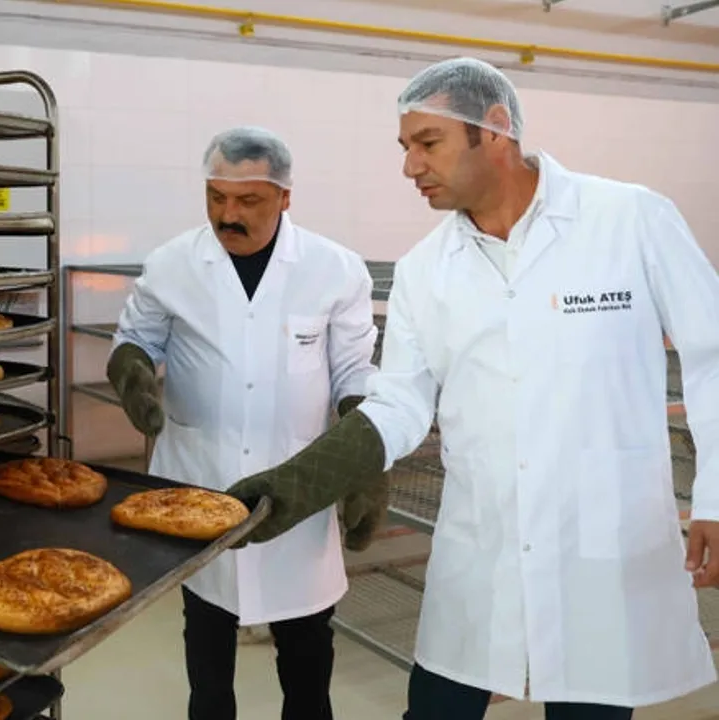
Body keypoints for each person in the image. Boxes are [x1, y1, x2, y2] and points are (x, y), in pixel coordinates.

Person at [226, 57, 719, 719]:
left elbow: (713, 356)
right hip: (480, 550)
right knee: (437, 707)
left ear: (494, 128)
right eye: (405, 147)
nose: (410, 166)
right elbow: (399, 403)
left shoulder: (629, 219)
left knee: (591, 706)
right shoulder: (426, 270)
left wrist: (717, 497)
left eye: (428, 143)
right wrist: (297, 483)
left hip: (602, 543)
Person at [106, 125, 388, 720]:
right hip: (199, 486)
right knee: (207, 654)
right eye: (216, 197)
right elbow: (138, 336)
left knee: (307, 657)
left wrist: (364, 465)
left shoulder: (335, 269)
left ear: (285, 197)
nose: (227, 215)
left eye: (248, 200)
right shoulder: (172, 264)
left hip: (299, 488)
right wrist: (132, 369)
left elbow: (355, 372)